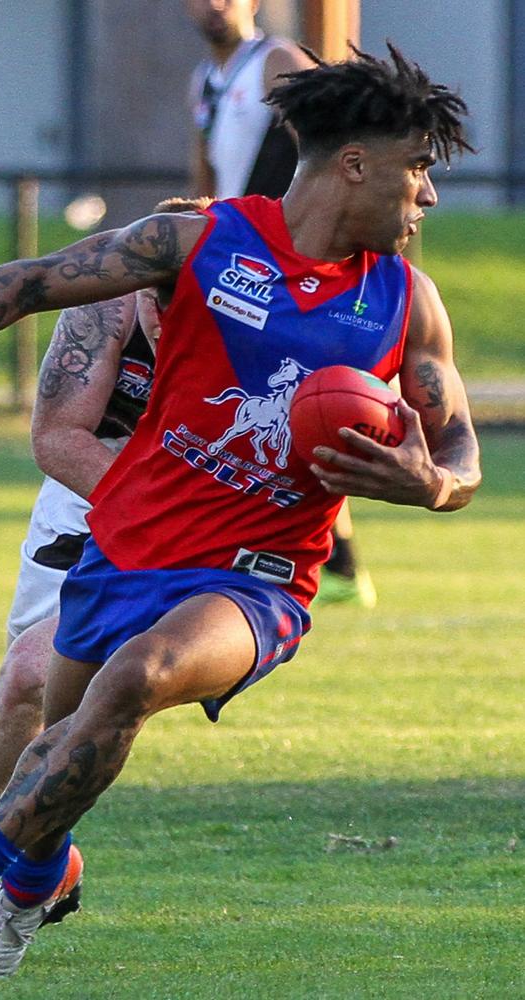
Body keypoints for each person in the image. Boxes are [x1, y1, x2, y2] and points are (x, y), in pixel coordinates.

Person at [0, 44, 481, 979]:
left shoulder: (406, 301)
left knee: (139, 678)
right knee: (59, 748)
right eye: (419, 169)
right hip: (129, 548)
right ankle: (34, 887)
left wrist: (430, 481)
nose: (429, 196)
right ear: (356, 164)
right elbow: (47, 275)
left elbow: (461, 455)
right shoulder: (199, 242)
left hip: (256, 582)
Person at [0, 197, 209, 943]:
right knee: (38, 704)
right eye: (160, 297)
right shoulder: (108, 303)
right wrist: (166, 504)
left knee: (36, 674)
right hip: (92, 507)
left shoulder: (258, 315)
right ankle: (44, 866)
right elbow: (60, 437)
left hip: (207, 537)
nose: (172, 316)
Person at [187, 0, 377, 608]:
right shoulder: (203, 80)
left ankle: (314, 561)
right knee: (271, 412)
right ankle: (334, 564)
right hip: (234, 261)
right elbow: (207, 176)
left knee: (302, 408)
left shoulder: (275, 61)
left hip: (283, 268)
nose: (214, 3)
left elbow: (325, 143)